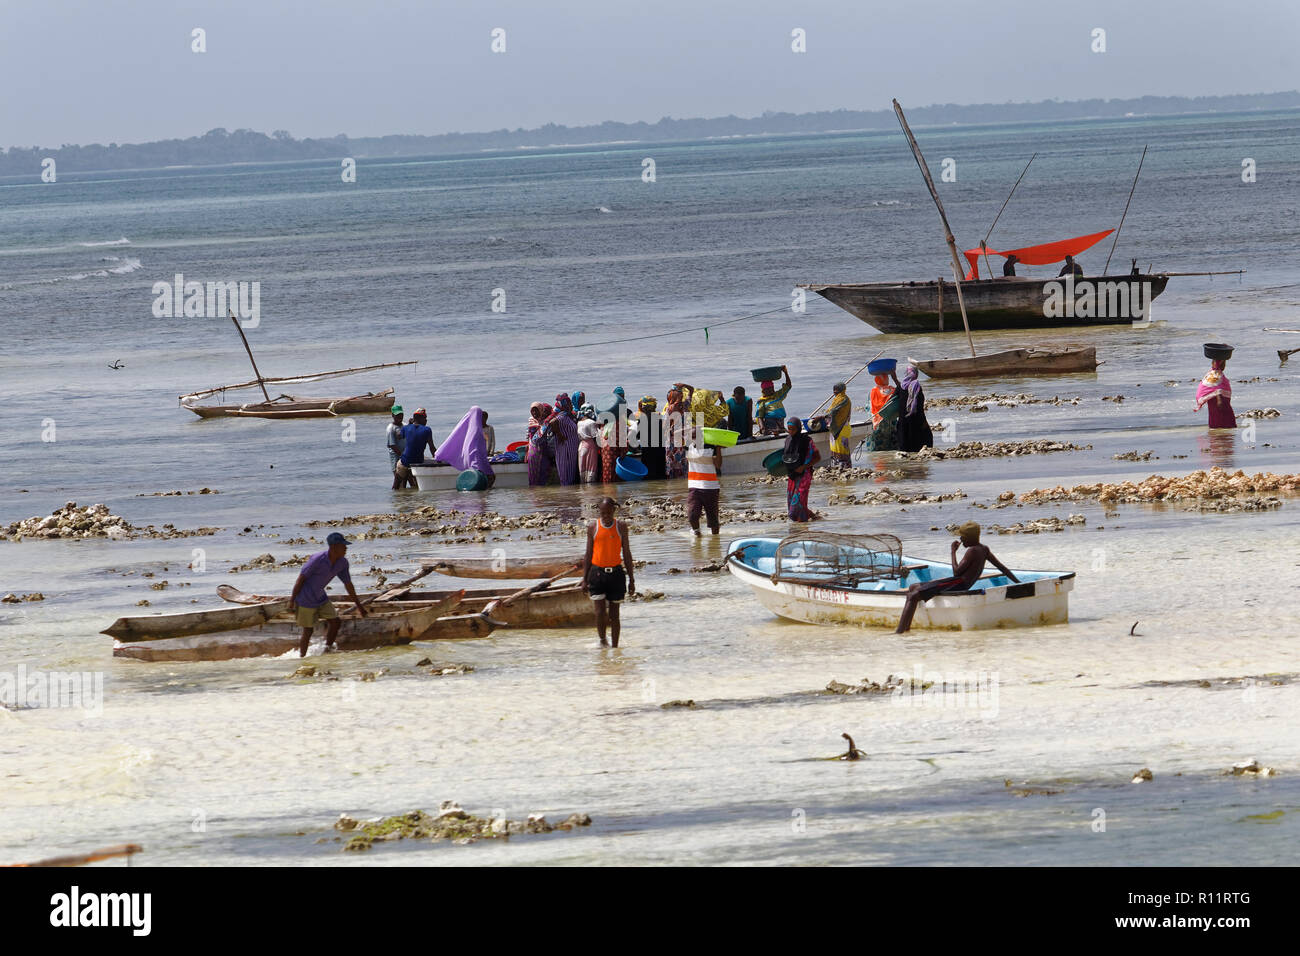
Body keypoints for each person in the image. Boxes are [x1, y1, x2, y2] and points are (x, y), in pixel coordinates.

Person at [894, 522, 1019, 633]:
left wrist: (953, 551)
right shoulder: (984, 549)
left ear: (969, 538)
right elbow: (1002, 568)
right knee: (913, 586)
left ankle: (899, 632)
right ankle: (906, 627)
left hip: (958, 583)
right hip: (958, 582)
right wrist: (1018, 582)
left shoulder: (972, 551)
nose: (961, 539)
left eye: (962, 537)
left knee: (912, 596)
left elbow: (956, 572)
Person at [290, 532, 366, 656]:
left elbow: (348, 585)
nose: (346, 548)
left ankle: (327, 649)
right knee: (308, 630)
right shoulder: (317, 560)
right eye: (343, 545)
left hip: (321, 597)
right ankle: (302, 658)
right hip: (305, 598)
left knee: (336, 622)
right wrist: (292, 600)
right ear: (334, 547)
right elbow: (301, 579)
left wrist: (359, 606)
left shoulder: (342, 563)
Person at [581, 497, 636, 647]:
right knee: (599, 613)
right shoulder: (593, 527)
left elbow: (627, 553)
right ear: (599, 512)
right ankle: (602, 641)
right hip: (597, 573)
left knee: (614, 615)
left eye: (608, 513)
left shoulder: (621, 526)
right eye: (603, 513)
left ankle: (616, 647)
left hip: (616, 575)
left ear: (614, 511)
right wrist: (584, 579)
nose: (605, 516)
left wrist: (631, 579)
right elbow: (588, 554)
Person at [438, 405, 496, 487]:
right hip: (477, 458)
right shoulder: (478, 430)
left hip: (469, 459)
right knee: (490, 477)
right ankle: (485, 494)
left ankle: (482, 494)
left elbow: (453, 439)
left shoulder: (467, 429)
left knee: (483, 478)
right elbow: (480, 447)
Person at [686, 426, 723, 535]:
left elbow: (718, 465)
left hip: (710, 487)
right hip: (694, 487)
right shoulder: (689, 448)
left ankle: (715, 542)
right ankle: (697, 532)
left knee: (713, 520)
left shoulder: (710, 448)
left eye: (696, 436)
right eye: (692, 437)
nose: (694, 439)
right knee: (692, 515)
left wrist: (719, 448)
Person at [783, 417, 821, 522]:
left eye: (793, 429)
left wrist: (803, 467)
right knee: (794, 505)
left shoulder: (806, 441)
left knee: (796, 507)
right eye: (789, 429)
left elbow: (817, 457)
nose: (790, 431)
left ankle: (803, 529)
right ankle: (814, 519)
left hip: (804, 475)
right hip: (792, 476)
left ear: (798, 428)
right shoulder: (788, 440)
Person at [543, 394, 581, 485]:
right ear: (564, 404)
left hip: (570, 451)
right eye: (569, 403)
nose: (571, 405)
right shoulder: (562, 415)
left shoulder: (568, 415)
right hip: (565, 450)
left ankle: (567, 496)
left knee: (570, 475)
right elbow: (552, 422)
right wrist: (560, 435)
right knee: (566, 475)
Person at [395, 408, 436, 489]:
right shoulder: (427, 430)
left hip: (404, 461)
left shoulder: (406, 428)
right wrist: (437, 459)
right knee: (417, 489)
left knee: (396, 487)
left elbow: (398, 435)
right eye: (424, 418)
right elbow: (432, 448)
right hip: (418, 462)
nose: (426, 420)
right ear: (419, 418)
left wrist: (408, 424)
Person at [896, 365, 934, 452]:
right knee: (926, 439)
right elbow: (919, 407)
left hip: (903, 423)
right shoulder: (916, 386)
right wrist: (924, 421)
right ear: (916, 374)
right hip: (916, 420)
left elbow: (894, 400)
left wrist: (893, 376)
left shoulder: (900, 387)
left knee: (904, 447)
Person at [864, 371, 903, 451]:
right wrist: (895, 378)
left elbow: (868, 408)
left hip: (876, 424)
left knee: (877, 452)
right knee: (891, 449)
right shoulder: (892, 389)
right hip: (890, 424)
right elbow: (902, 392)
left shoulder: (872, 391)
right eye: (887, 377)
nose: (887, 379)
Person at [1195, 359, 1236, 428]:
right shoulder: (1216, 374)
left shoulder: (1211, 373)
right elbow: (1217, 388)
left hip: (1213, 400)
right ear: (1220, 364)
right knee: (1227, 419)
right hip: (1219, 400)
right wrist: (1219, 400)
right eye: (1224, 364)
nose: (1224, 366)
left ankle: (1216, 432)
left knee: (1215, 417)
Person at [635, 395, 667, 480]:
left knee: (649, 476)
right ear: (654, 407)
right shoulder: (660, 419)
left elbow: (637, 436)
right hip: (660, 451)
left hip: (648, 452)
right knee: (660, 475)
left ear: (644, 408)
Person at [755, 366, 792, 435]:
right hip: (770, 424)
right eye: (768, 389)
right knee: (775, 434)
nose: (771, 390)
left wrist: (785, 373)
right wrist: (762, 429)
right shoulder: (761, 401)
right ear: (763, 390)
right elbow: (759, 417)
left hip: (780, 422)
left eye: (772, 388)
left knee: (782, 434)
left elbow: (788, 386)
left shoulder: (777, 395)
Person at [663, 386, 690, 478]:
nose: (681, 397)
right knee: (677, 464)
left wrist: (683, 386)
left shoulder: (683, 406)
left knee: (678, 464)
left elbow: (691, 391)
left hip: (678, 442)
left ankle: (677, 487)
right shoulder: (675, 407)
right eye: (679, 396)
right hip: (674, 442)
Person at [527, 401, 556, 486]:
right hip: (535, 451)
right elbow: (532, 438)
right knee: (536, 475)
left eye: (536, 410)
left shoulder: (544, 422)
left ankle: (540, 495)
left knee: (540, 474)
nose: (534, 413)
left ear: (541, 410)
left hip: (541, 451)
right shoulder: (533, 422)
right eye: (533, 411)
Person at [826, 382, 853, 467]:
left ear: (842, 390)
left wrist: (821, 417)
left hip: (841, 428)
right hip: (837, 428)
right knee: (836, 447)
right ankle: (837, 465)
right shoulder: (838, 399)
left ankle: (843, 466)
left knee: (842, 448)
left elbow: (833, 412)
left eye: (836, 390)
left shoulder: (843, 399)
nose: (834, 392)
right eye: (833, 390)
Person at [387, 405, 411, 489]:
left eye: (401, 414)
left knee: (410, 482)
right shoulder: (391, 428)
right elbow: (392, 445)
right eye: (397, 415)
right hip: (397, 460)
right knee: (400, 486)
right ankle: (399, 501)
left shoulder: (404, 425)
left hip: (406, 459)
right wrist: (402, 455)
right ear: (392, 415)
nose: (400, 417)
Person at [577, 416, 602, 482]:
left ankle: (583, 488)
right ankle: (590, 488)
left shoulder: (579, 423)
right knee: (591, 469)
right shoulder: (592, 422)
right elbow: (596, 436)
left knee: (582, 469)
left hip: (581, 446)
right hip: (590, 446)